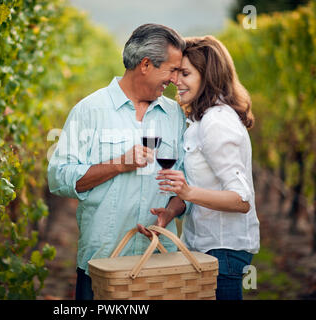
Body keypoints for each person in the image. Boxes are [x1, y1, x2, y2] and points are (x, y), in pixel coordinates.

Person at [47, 24, 189, 300]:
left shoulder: (175, 115)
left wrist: (170, 212)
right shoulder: (89, 111)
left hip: (159, 263)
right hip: (103, 264)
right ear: (145, 65)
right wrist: (119, 165)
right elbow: (58, 177)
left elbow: (185, 184)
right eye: (171, 70)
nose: (174, 79)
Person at [152, 35, 260, 300]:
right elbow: (207, 184)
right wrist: (172, 210)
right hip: (209, 249)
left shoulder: (217, 122)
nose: (176, 81)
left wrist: (188, 193)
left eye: (185, 73)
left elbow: (241, 199)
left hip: (222, 253)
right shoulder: (203, 119)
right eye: (176, 72)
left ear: (208, 76)